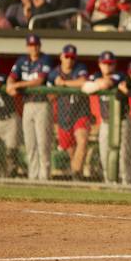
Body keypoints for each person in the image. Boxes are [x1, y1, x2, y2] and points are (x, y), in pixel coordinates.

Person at [83, 51, 131, 184]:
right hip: (105, 122)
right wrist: (97, 83)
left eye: (110, 63)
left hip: (122, 121)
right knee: (104, 155)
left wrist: (97, 84)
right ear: (100, 64)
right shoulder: (96, 75)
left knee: (124, 156)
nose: (107, 66)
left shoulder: (120, 75)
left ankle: (126, 184)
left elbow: (107, 84)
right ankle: (109, 183)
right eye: (104, 63)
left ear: (114, 64)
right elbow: (85, 87)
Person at [6, 34, 53, 181]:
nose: (34, 47)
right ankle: (33, 176)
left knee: (43, 142)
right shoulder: (22, 60)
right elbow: (12, 76)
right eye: (31, 45)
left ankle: (44, 177)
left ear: (40, 45)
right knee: (30, 143)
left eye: (36, 45)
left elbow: (39, 80)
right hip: (28, 105)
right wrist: (9, 84)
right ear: (27, 46)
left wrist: (17, 85)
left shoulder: (45, 59)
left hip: (42, 104)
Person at [47, 44, 92, 180]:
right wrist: (57, 87)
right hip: (64, 116)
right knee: (72, 152)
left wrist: (65, 84)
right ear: (61, 57)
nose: (69, 60)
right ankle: (76, 178)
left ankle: (76, 174)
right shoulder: (54, 72)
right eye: (67, 56)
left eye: (72, 57)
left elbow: (83, 81)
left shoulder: (80, 68)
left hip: (80, 112)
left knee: (82, 141)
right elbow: (50, 96)